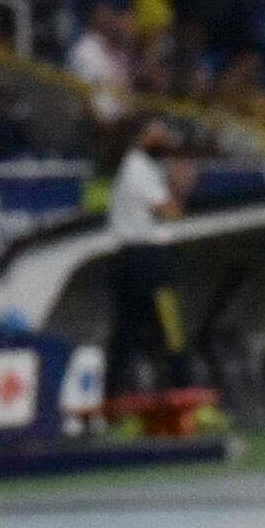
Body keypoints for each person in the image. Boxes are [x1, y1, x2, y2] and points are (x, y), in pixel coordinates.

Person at [103, 113, 185, 395]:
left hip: (131, 257)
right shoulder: (138, 167)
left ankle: (113, 397)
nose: (163, 136)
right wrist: (179, 183)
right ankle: (184, 391)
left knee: (127, 333)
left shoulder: (138, 167)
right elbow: (169, 210)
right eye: (156, 130)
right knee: (169, 328)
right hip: (145, 259)